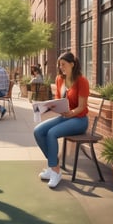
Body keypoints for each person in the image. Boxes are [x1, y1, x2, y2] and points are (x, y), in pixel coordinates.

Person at [33, 52, 89, 188]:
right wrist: (45, 107)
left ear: (72, 64)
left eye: (64, 64)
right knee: (38, 131)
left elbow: (81, 107)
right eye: (60, 65)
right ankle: (54, 165)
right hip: (64, 117)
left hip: (79, 120)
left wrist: (71, 113)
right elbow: (58, 101)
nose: (61, 67)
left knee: (52, 133)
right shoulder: (59, 79)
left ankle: (55, 171)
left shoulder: (82, 81)